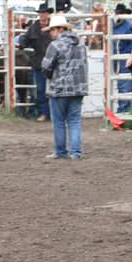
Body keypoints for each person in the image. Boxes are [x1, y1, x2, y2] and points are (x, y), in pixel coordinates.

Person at [40, 13, 87, 160]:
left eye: (52, 30)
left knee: (59, 121)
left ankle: (60, 151)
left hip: (59, 88)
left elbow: (46, 66)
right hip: (78, 88)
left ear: (59, 29)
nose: (51, 33)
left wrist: (50, 77)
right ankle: (75, 152)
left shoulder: (55, 45)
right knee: (74, 120)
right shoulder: (80, 44)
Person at [18, 5, 54, 121]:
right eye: (41, 12)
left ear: (48, 14)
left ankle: (52, 113)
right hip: (40, 62)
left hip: (54, 62)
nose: (42, 14)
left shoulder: (54, 26)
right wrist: (21, 44)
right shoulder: (34, 27)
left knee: (55, 88)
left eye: (44, 12)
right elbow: (26, 39)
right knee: (40, 89)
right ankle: (43, 113)